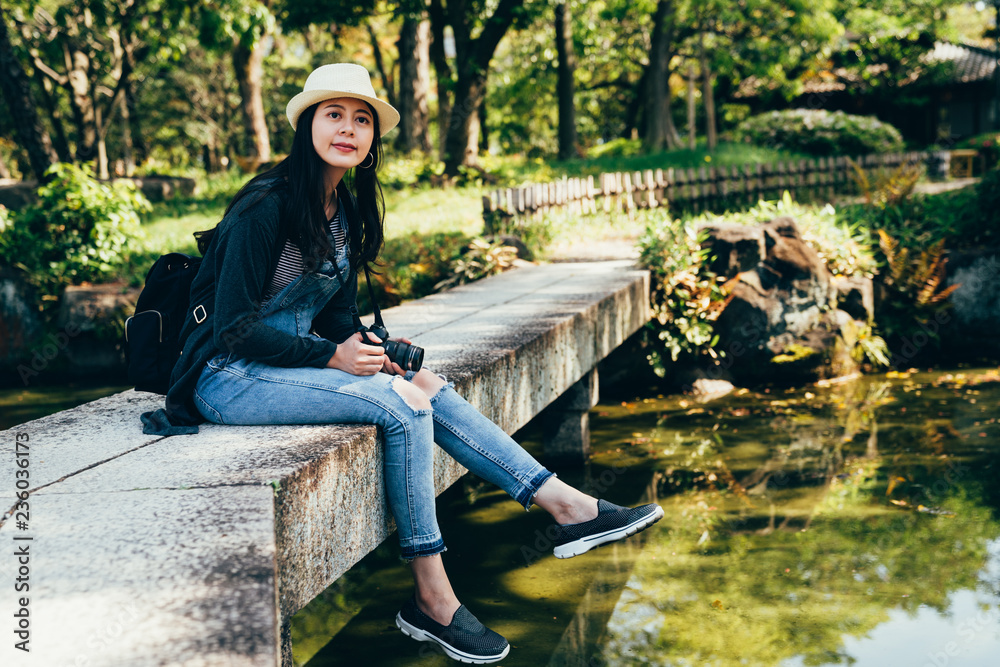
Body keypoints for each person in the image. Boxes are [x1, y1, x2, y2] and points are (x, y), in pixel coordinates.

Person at [140, 63, 663, 664]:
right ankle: (432, 599)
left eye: (361, 120)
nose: (348, 129)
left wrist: (372, 348)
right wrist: (333, 356)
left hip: (285, 365)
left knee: (426, 385)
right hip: (228, 376)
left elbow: (333, 316)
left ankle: (567, 508)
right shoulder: (267, 206)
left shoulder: (343, 209)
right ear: (306, 123)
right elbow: (236, 326)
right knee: (401, 406)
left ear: (371, 143)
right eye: (333, 114)